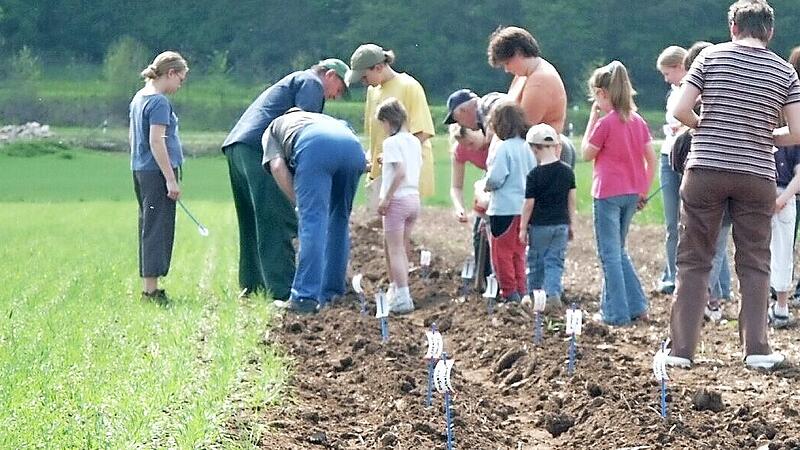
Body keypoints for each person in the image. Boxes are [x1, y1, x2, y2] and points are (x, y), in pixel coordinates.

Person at [667, 0, 800, 370]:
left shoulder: (709, 58)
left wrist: (706, 127)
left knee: (694, 260)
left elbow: (680, 110)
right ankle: (756, 348)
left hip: (706, 169)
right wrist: (763, 134)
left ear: (733, 28)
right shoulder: (784, 70)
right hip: (757, 173)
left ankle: (681, 351)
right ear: (769, 32)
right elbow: (799, 131)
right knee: (755, 260)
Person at [221, 59, 349, 300]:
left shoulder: (294, 80)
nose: (335, 96)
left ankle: (253, 285)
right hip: (261, 150)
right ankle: (283, 291)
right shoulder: (311, 83)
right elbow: (304, 131)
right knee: (276, 219)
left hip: (237, 147)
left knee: (252, 220)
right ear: (330, 75)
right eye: (339, 89)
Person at [262, 109, 366, 314]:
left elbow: (276, 167)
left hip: (314, 147)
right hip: (353, 147)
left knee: (313, 222)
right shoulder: (328, 118)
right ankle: (333, 293)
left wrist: (300, 202)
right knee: (339, 220)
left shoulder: (274, 128)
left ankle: (304, 297)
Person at [582, 61, 656, 327]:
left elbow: (586, 153)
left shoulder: (605, 123)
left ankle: (616, 313)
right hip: (632, 192)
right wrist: (643, 191)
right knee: (620, 251)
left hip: (607, 193)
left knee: (609, 254)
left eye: (595, 97)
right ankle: (637, 305)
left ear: (603, 93)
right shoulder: (638, 122)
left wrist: (592, 119)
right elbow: (652, 159)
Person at [129, 51, 189, 304]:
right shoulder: (159, 102)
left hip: (140, 169)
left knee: (148, 225)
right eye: (181, 80)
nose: (179, 86)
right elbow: (157, 140)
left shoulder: (139, 98)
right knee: (158, 228)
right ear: (171, 73)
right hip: (157, 172)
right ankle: (151, 292)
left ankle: (150, 287)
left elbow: (135, 139)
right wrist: (170, 179)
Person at [346, 44, 435, 204]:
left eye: (364, 77)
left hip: (405, 177)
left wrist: (393, 155)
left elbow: (422, 132)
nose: (363, 82)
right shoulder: (372, 92)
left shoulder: (409, 86)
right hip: (379, 173)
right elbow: (374, 135)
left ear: (379, 67)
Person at [519, 124, 576, 310]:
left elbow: (529, 204)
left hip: (539, 226)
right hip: (561, 225)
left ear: (535, 148)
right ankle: (553, 294)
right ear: (555, 146)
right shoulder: (567, 171)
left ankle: (535, 296)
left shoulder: (534, 175)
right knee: (555, 261)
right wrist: (571, 224)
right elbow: (571, 201)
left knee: (536, 262)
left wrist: (522, 228)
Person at [483, 102, 536, 302]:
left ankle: (508, 292)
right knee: (518, 253)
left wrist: (485, 186)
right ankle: (522, 291)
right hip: (523, 209)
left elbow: (496, 178)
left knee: (501, 254)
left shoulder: (504, 148)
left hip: (503, 208)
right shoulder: (529, 147)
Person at [374, 98, 422, 314]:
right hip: (414, 198)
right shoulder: (413, 141)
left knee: (393, 250)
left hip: (398, 201)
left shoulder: (391, 143)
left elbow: (400, 171)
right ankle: (397, 289)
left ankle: (402, 295)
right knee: (401, 248)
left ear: (388, 121)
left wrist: (386, 199)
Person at [768, 145, 800, 328]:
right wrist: (782, 200)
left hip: (759, 194)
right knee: (784, 253)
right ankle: (781, 307)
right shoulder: (793, 141)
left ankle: (759, 307)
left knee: (758, 255)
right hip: (786, 196)